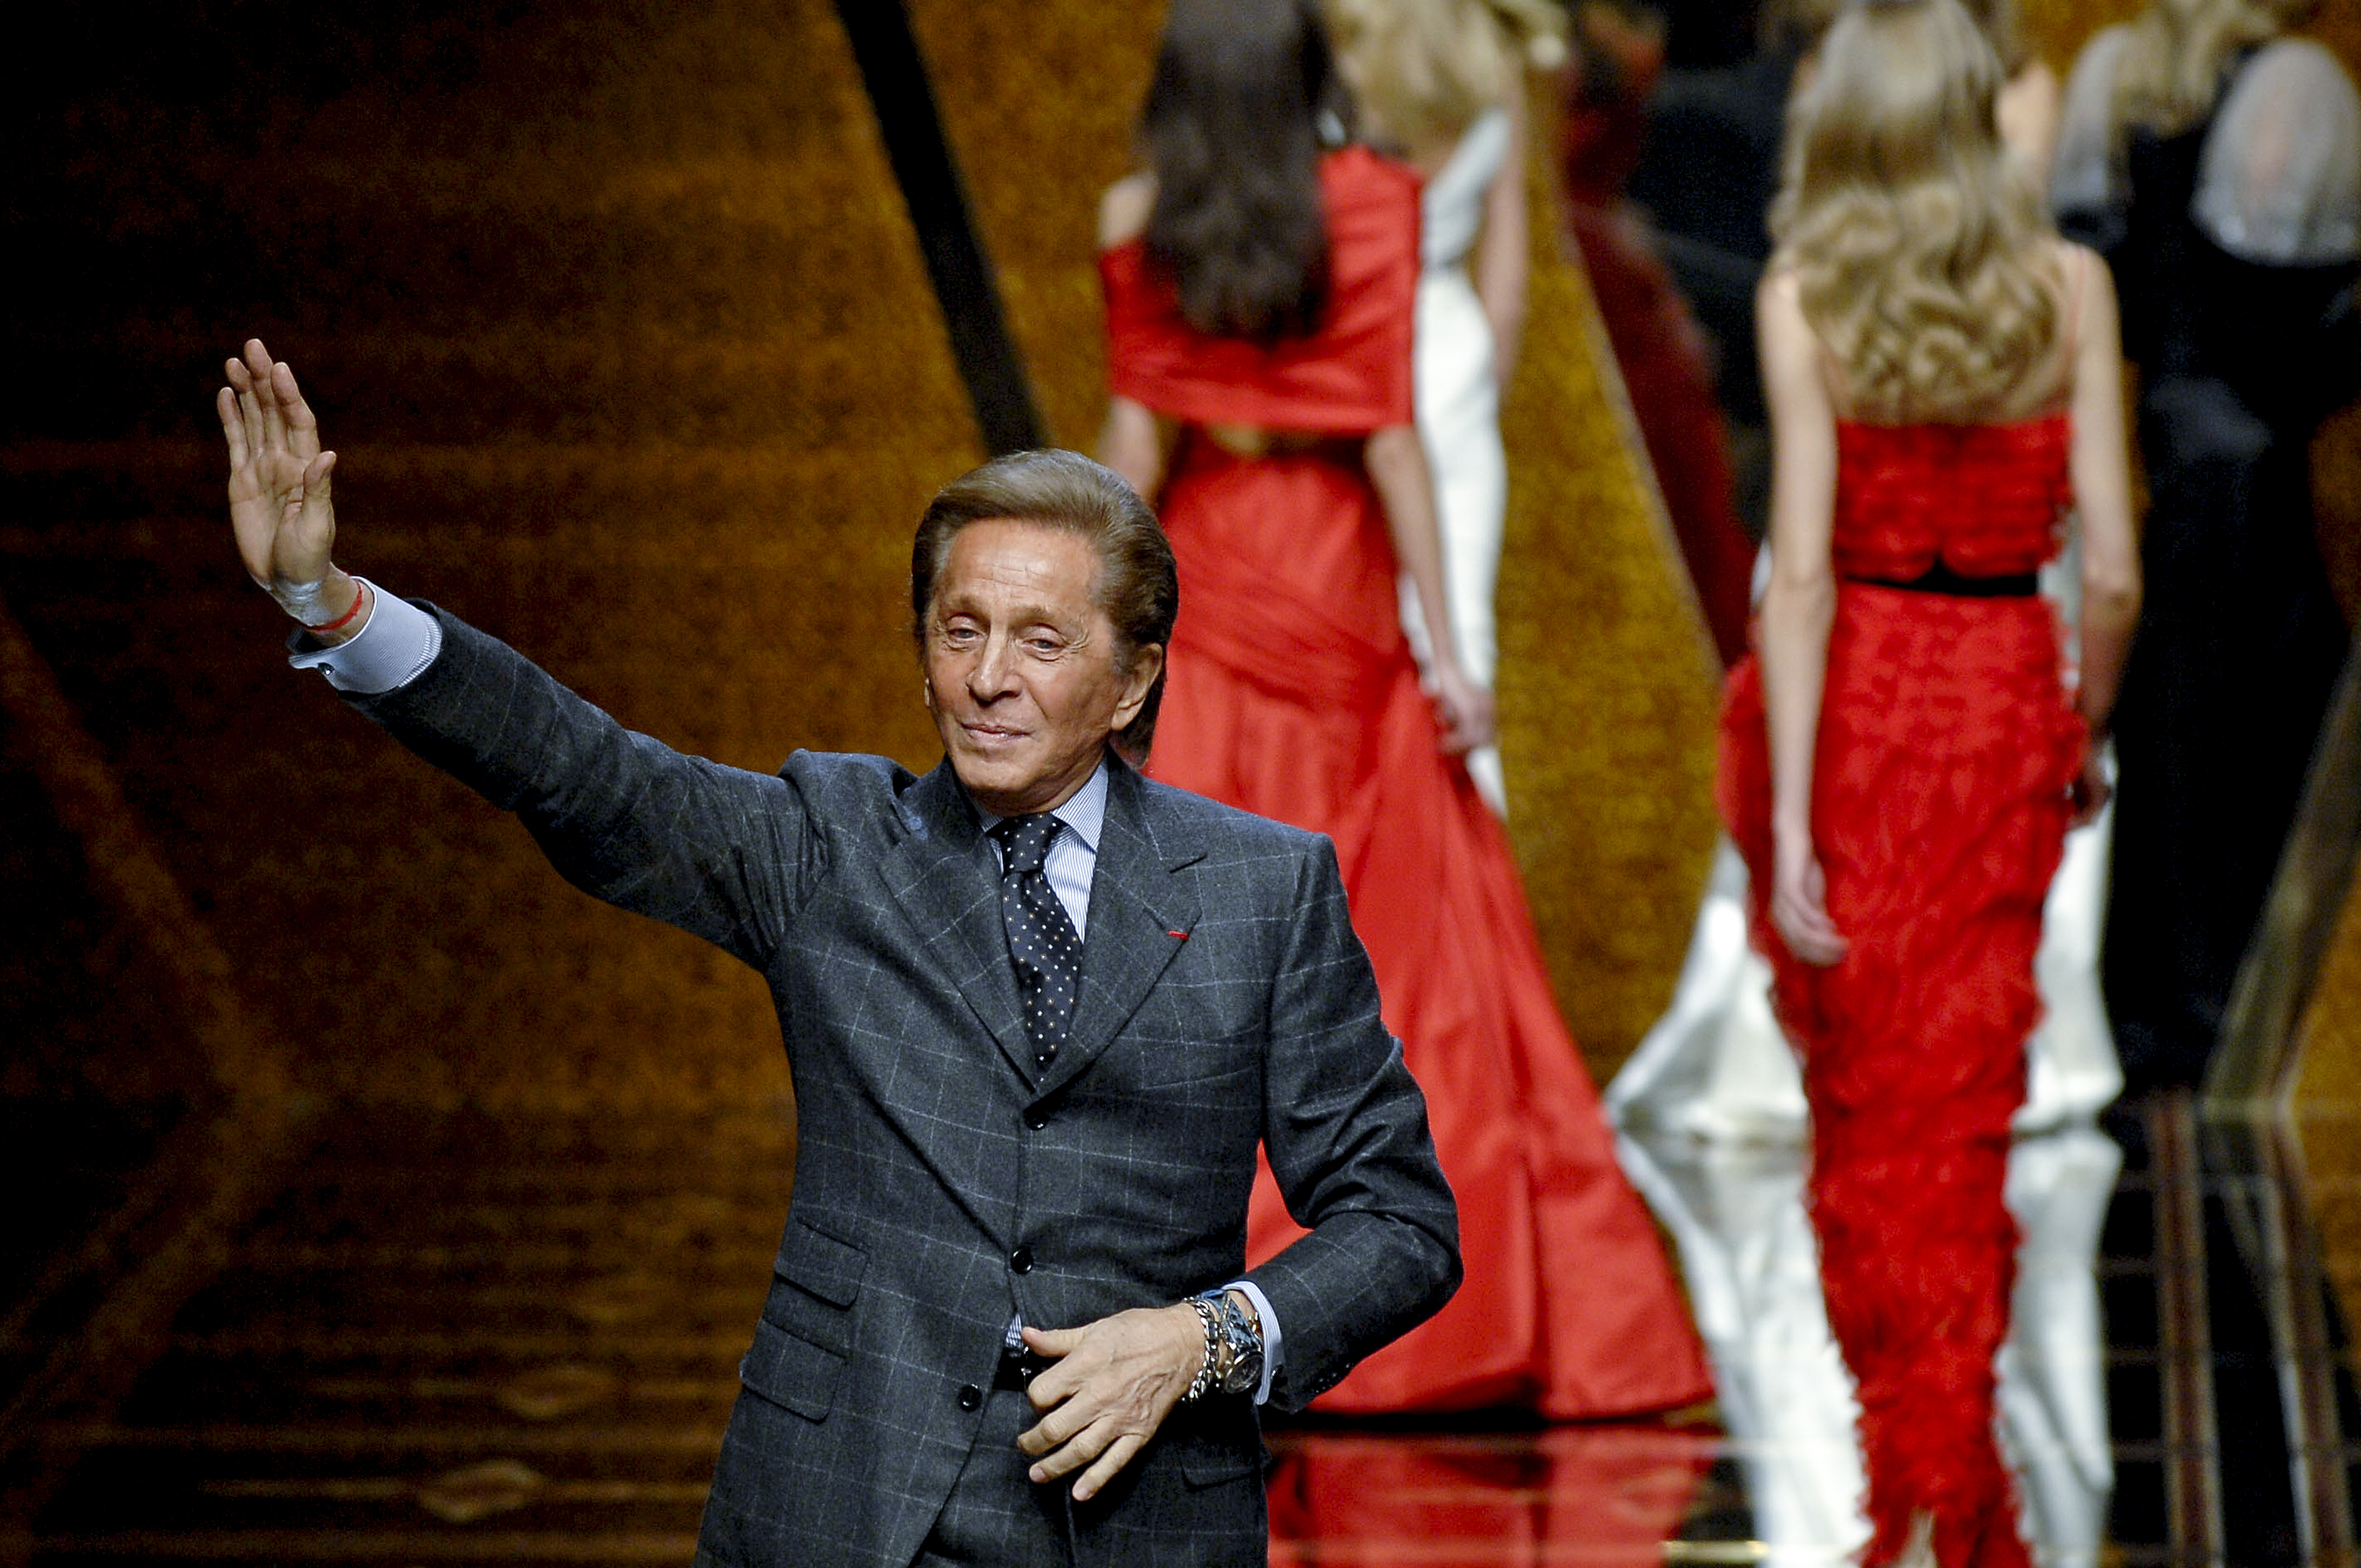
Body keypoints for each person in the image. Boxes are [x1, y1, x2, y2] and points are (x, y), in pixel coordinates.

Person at [215, 340, 1461, 1567]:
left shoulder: (1260, 889)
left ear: (1133, 681)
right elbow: (581, 771)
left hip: (1138, 1522)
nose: (988, 678)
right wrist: (329, 603)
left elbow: (1400, 1221)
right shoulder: (831, 845)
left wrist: (1202, 1341)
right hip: (843, 1502)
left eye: (1040, 641)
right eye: (959, 630)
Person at [1096, 0, 1711, 1420]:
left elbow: (1133, 445)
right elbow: (1388, 443)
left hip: (1213, 566)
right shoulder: (1370, 204)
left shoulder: (1138, 215)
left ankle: (1189, 1304)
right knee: (1390, 935)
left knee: (1193, 937)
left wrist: (1098, 637)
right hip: (1334, 573)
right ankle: (1402, 1307)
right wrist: (1442, 648)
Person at [1719, 0, 2140, 1562]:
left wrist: (1787, 817)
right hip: (1999, 706)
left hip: (1859, 713)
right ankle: (1937, 1472)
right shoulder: (2070, 289)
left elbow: (1800, 580)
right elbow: (2113, 571)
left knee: (1866, 1107)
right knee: (1959, 1109)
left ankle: (1922, 1462)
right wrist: (2080, 728)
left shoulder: (1802, 295)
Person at [2053, 0, 2361, 1094]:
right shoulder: (2294, 90)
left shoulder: (2119, 79)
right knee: (2248, 760)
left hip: (2162, 457)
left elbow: (2113, 276)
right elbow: (2275, 318)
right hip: (2251, 482)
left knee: (2172, 754)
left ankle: (2158, 1025)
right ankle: (2221, 1024)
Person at [1325, 0, 1567, 809]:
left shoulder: (1349, 56)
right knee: (1458, 647)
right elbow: (1508, 273)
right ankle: (1464, 865)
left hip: (1341, 348)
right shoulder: (1495, 61)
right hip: (1448, 353)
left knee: (1341, 635)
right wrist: (1477, 390)